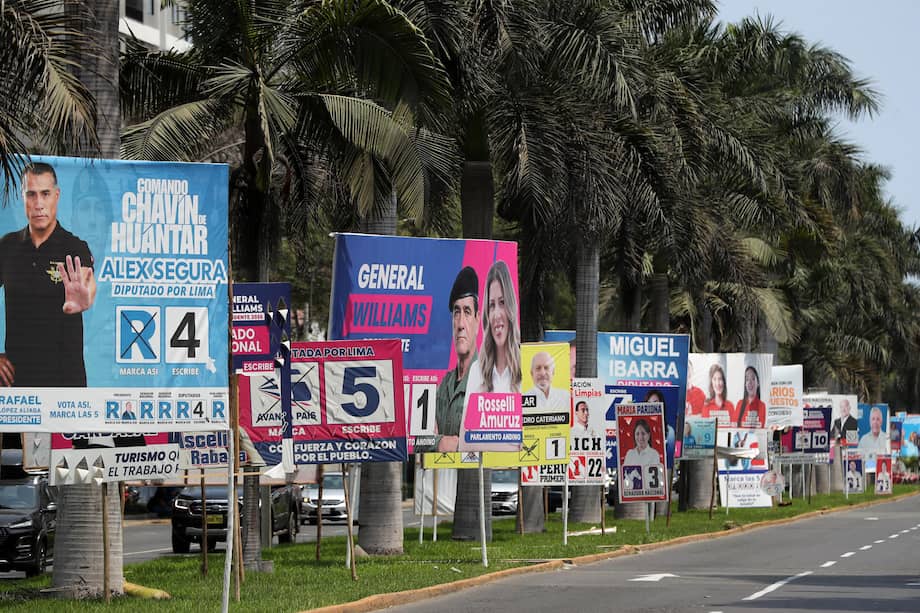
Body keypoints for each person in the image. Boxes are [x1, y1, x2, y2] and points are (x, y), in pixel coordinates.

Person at [0, 162, 96, 387]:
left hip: (66, 384)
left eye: (45, 194)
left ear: (57, 196)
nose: (38, 204)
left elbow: (88, 284)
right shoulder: (7, 246)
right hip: (17, 385)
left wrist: (86, 297)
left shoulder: (75, 247)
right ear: (22, 198)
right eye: (31, 194)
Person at [417, 266, 480, 453]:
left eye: (467, 312)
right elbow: (419, 439)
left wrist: (460, 445)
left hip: (476, 473)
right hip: (442, 472)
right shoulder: (445, 384)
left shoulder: (487, 381)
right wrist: (441, 443)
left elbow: (494, 441)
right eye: (456, 312)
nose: (460, 324)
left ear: (477, 320)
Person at [465, 260, 521, 395]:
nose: (496, 314)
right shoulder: (476, 371)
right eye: (491, 305)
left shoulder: (527, 369)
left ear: (511, 307)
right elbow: (467, 411)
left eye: (502, 302)